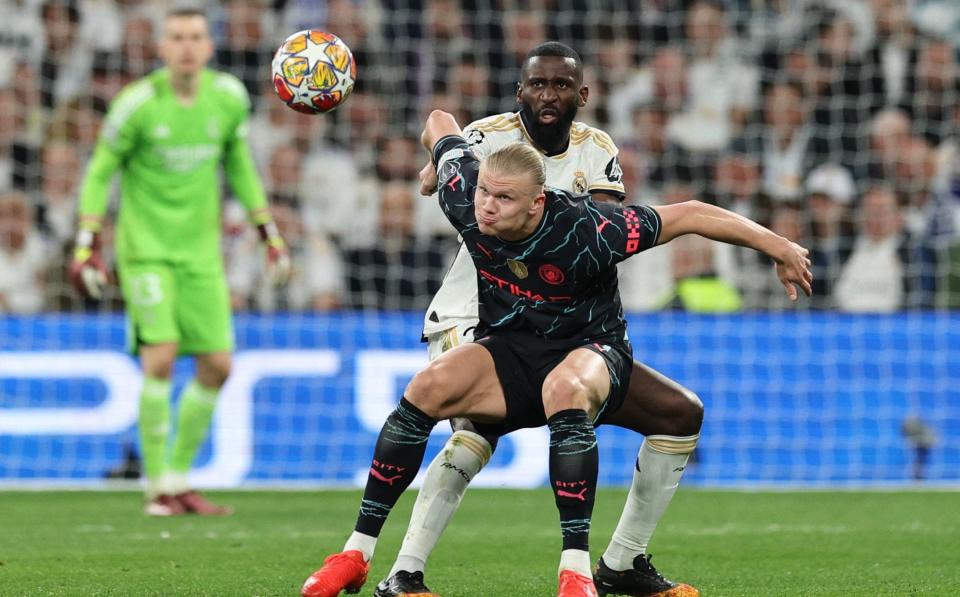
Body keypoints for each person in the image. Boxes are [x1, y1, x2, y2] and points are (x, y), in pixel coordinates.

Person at [301, 109, 812, 597]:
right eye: (483, 193)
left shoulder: (590, 230)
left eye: (503, 198)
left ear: (536, 203)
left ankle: (582, 570)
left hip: (590, 349)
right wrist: (436, 163)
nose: (486, 206)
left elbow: (694, 215)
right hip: (512, 348)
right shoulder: (464, 198)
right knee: (425, 388)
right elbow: (439, 122)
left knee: (611, 399)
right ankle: (355, 554)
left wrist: (780, 248)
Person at [382, 42, 701, 597]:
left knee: (671, 413)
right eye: (537, 85)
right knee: (475, 430)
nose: (547, 96)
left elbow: (601, 232)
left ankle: (621, 562)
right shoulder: (486, 136)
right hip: (472, 307)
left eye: (559, 86)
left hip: (553, 317)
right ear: (520, 91)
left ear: (581, 96)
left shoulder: (597, 149)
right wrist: (435, 168)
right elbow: (437, 145)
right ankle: (404, 572)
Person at [69, 8, 290, 516]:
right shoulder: (137, 105)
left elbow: (239, 164)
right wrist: (87, 242)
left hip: (200, 255)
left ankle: (178, 477)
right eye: (177, 38)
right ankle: (157, 487)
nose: (187, 46)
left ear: (208, 47)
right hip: (145, 252)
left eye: (195, 37)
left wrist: (269, 233)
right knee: (162, 356)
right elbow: (101, 170)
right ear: (162, 48)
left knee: (218, 364)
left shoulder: (228, 98)